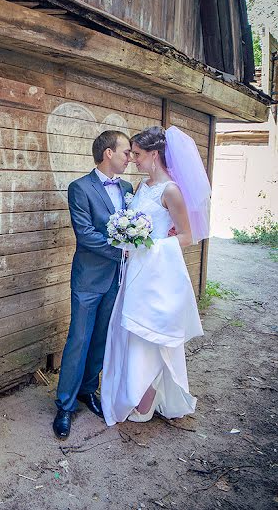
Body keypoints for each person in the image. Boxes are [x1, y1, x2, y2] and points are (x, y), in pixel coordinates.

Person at [100, 126, 209, 425]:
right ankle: (135, 394)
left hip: (157, 271)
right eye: (131, 154)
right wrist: (127, 240)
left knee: (148, 335)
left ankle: (146, 402)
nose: (133, 159)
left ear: (154, 154)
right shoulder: (141, 186)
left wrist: (150, 246)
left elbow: (187, 235)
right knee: (130, 332)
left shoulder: (170, 190)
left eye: (137, 154)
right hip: (134, 269)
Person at [53, 130, 134, 439]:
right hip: (88, 278)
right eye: (126, 151)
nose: (129, 157)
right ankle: (65, 405)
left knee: (102, 337)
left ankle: (88, 390)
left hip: (118, 277)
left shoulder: (127, 188)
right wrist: (122, 250)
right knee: (79, 338)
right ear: (108, 154)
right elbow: (85, 234)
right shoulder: (80, 188)